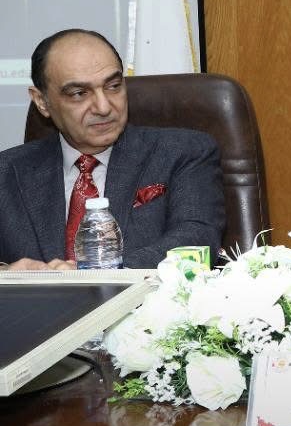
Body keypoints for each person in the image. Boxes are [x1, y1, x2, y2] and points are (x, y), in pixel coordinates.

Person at [0, 29, 225, 270]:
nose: (104, 107)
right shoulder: (6, 172)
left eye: (113, 86)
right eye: (79, 93)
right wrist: (7, 274)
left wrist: (97, 274)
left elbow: (196, 239)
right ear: (42, 102)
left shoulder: (183, 153)